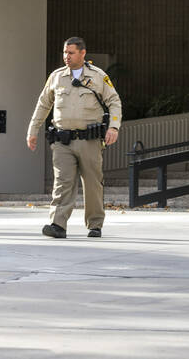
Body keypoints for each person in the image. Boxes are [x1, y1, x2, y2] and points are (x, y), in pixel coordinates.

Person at [27, 36, 122, 238]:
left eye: (71, 53)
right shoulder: (56, 77)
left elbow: (114, 101)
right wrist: (32, 129)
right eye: (64, 52)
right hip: (62, 141)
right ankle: (57, 224)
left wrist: (113, 127)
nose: (66, 57)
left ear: (82, 53)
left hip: (89, 140)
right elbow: (43, 104)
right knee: (62, 182)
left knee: (92, 183)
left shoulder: (98, 76)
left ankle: (95, 224)